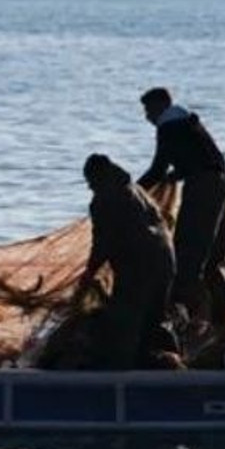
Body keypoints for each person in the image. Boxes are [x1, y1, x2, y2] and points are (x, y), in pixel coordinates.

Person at [136, 88, 225, 328]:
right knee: (214, 261)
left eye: (149, 110)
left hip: (204, 189)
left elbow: (157, 170)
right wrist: (177, 174)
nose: (147, 117)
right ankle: (219, 323)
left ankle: (188, 323)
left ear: (161, 105)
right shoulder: (189, 123)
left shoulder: (168, 126)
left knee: (188, 258)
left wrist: (132, 190)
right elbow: (201, 158)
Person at [75, 154, 176, 370]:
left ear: (99, 177)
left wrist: (88, 275)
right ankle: (167, 363)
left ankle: (120, 371)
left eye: (91, 182)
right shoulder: (137, 190)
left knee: (124, 322)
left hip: (139, 266)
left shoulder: (104, 199)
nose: (90, 188)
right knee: (155, 319)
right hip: (166, 261)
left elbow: (102, 243)